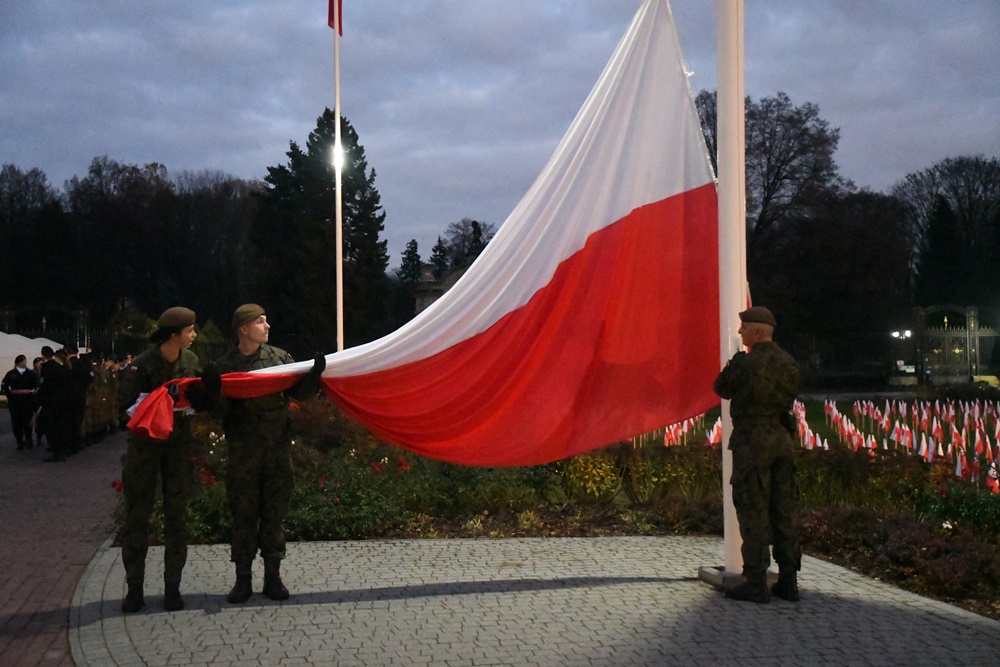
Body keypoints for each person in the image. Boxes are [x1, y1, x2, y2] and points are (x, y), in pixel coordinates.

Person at [213, 304, 325, 604]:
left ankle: (273, 578)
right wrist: (211, 391)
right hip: (243, 454)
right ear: (243, 329)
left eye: (266, 320)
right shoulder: (225, 365)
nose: (267, 326)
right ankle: (242, 580)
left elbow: (299, 393)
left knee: (274, 516)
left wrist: (314, 375)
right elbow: (218, 410)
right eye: (260, 322)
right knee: (244, 516)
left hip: (276, 451)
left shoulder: (279, 359)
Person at [117, 307, 203, 613]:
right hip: (146, 446)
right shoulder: (141, 366)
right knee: (138, 515)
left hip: (178, 444)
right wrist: (158, 399)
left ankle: (172, 588)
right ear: (173, 335)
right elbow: (124, 407)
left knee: (176, 516)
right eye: (190, 331)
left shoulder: (191, 361)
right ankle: (135, 589)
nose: (194, 335)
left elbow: (198, 398)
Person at [713, 306, 801, 604]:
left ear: (759, 331)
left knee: (753, 509)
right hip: (782, 440)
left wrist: (735, 363)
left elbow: (721, 389)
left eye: (745, 328)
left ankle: (755, 580)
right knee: (783, 509)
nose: (740, 332)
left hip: (753, 442)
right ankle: (789, 580)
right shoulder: (789, 362)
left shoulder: (745, 364)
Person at [37, 346, 73, 462]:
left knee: (51, 428)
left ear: (43, 355)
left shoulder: (46, 368)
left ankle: (57, 451)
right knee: (61, 426)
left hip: (51, 402)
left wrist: (40, 401)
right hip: (63, 401)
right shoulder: (61, 368)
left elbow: (45, 386)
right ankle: (63, 449)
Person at [2, 355, 39, 450]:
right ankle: (19, 441)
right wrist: (10, 396)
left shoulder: (30, 374)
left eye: (25, 361)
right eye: (23, 361)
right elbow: (5, 385)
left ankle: (29, 438)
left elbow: (36, 385)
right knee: (16, 422)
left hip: (27, 400)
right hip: (15, 401)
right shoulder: (11, 374)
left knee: (27, 420)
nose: (24, 363)